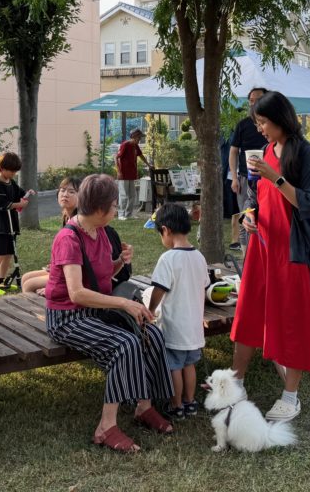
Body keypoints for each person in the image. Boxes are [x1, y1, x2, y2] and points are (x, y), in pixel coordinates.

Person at [44, 174, 173, 453]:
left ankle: (144, 406)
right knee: (124, 344)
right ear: (101, 209)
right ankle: (105, 427)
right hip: (68, 317)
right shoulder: (68, 238)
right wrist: (123, 303)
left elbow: (100, 275)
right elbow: (77, 293)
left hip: (96, 310)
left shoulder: (100, 231)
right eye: (114, 205)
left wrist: (119, 263)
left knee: (151, 333)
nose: (116, 209)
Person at [230, 91, 310, 423]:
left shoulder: (305, 153)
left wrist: (274, 177)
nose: (259, 128)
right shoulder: (265, 152)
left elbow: (309, 202)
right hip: (263, 245)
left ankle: (291, 396)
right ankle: (236, 383)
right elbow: (256, 197)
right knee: (249, 312)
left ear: (280, 119)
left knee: (294, 318)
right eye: (257, 122)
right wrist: (249, 215)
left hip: (294, 250)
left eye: (263, 122)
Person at [147, 203, 209, 421]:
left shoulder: (168, 259)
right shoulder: (199, 256)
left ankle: (176, 405)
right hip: (194, 327)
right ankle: (190, 402)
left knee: (174, 366)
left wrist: (150, 310)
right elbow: (203, 285)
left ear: (166, 230)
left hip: (175, 326)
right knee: (189, 365)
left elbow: (159, 290)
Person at [21, 175, 131, 295]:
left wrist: (121, 260)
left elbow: (98, 270)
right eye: (62, 190)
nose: (65, 194)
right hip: (79, 277)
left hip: (93, 279)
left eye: (71, 191)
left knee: (29, 284)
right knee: (26, 278)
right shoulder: (71, 226)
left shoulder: (98, 228)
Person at [0, 152, 32, 296]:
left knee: (8, 254)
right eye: (11, 171)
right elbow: (1, 204)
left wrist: (26, 195)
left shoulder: (10, 182)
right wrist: (18, 204)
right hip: (0, 225)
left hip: (11, 224)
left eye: (15, 171)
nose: (13, 174)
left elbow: (18, 193)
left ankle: (0, 281)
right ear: (2, 168)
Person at [228, 87, 268, 250]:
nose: (254, 104)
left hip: (269, 178)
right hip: (246, 178)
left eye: (258, 100)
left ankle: (263, 255)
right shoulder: (243, 125)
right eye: (251, 101)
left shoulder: (273, 125)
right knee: (246, 218)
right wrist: (234, 178)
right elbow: (233, 151)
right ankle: (247, 258)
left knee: (266, 219)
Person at [115, 128, 147, 219]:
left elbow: (141, 156)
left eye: (140, 137)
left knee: (132, 195)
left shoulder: (135, 146)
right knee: (123, 195)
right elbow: (116, 157)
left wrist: (148, 164)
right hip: (123, 174)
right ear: (133, 136)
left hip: (131, 174)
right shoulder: (125, 145)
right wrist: (119, 171)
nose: (140, 139)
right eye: (139, 137)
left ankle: (128, 214)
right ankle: (121, 214)